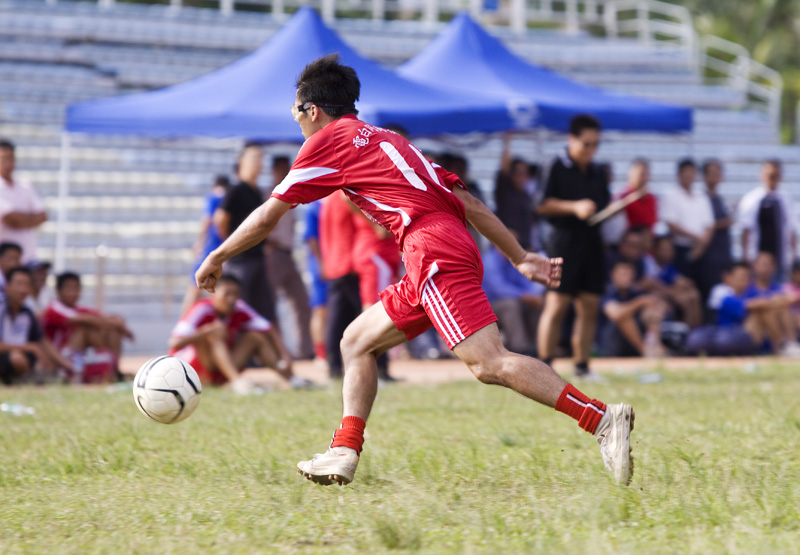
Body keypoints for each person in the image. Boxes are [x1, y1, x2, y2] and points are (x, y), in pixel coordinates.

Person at [195, 55, 634, 487]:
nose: (297, 121)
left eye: (296, 112)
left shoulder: (327, 140)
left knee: (489, 362)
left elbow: (268, 215)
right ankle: (344, 450)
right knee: (356, 341)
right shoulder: (390, 140)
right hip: (446, 244)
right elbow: (469, 203)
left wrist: (217, 256)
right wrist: (518, 256)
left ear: (313, 110)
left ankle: (600, 418)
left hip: (431, 249)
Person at [536, 114, 610, 380]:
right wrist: (574, 207)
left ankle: (582, 366)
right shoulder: (555, 165)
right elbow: (541, 204)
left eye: (595, 144)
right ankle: (544, 367)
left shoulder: (598, 171)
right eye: (586, 144)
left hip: (591, 242)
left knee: (589, 304)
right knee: (557, 303)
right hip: (563, 242)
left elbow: (603, 204)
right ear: (572, 139)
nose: (591, 150)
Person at [168, 274, 303, 390]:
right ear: (213, 293)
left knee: (255, 337)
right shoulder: (201, 309)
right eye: (227, 294)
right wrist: (207, 330)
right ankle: (237, 382)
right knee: (215, 333)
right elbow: (174, 343)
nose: (232, 299)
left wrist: (284, 356)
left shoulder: (239, 308)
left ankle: (291, 378)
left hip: (223, 368)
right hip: (196, 370)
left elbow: (268, 329)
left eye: (236, 294)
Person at [214, 143, 276, 321]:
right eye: (254, 158)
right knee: (239, 308)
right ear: (241, 162)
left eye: (260, 158)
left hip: (257, 258)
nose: (258, 162)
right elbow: (220, 219)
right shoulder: (236, 190)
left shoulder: (257, 192)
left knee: (262, 309)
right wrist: (232, 244)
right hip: (240, 261)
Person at [42, 272, 134, 381]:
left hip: (78, 355)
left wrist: (118, 323)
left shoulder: (78, 309)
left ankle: (114, 370)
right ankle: (106, 365)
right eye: (69, 288)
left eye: (76, 288)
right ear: (58, 291)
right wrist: (120, 326)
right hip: (58, 357)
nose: (73, 293)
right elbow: (86, 319)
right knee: (86, 329)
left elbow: (106, 318)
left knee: (111, 330)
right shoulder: (54, 308)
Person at [265, 155, 314, 359]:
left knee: (301, 301)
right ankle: (278, 352)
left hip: (288, 253)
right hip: (273, 253)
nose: (285, 173)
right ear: (274, 170)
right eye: (281, 169)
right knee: (270, 303)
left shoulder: (291, 192)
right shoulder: (268, 194)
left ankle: (305, 350)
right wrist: (268, 242)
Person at [0, 267, 72, 385]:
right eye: (19, 284)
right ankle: (23, 381)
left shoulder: (27, 313)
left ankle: (42, 377)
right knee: (16, 357)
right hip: (10, 358)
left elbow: (43, 341)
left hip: (23, 358)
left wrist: (65, 364)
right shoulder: (1, 309)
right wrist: (30, 347)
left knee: (43, 357)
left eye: (26, 284)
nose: (23, 289)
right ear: (7, 287)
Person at [738, 159, 798, 281]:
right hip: (757, 260)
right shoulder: (752, 199)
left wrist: (794, 254)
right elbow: (745, 229)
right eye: (770, 175)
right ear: (762, 175)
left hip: (780, 259)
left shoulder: (786, 199)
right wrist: (745, 256)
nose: (773, 179)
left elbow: (791, 228)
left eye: (776, 175)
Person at [660, 158, 715, 286]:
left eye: (691, 172)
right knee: (683, 284)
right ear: (678, 174)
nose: (688, 175)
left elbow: (710, 225)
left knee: (702, 284)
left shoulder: (701, 197)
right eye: (685, 172)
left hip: (701, 249)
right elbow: (672, 225)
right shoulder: (671, 196)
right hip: (680, 249)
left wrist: (701, 245)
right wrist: (696, 237)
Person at [482, 244, 543, 356]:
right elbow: (500, 289)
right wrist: (525, 296)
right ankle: (520, 347)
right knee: (510, 305)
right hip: (488, 306)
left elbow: (525, 283)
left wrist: (534, 297)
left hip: (512, 300)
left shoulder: (511, 260)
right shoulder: (489, 260)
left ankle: (537, 346)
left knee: (536, 303)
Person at [182, 175, 231, 315]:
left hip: (210, 245)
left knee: (195, 285)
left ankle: (185, 320)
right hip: (227, 247)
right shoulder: (230, 198)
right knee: (218, 288)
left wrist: (199, 242)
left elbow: (207, 220)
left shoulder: (213, 198)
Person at [600, 260, 668, 358]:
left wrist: (657, 308)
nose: (625, 277)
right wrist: (639, 302)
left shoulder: (635, 292)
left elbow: (658, 306)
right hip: (611, 347)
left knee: (650, 312)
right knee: (624, 318)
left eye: (628, 274)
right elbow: (615, 314)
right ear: (613, 275)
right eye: (622, 274)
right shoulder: (608, 293)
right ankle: (645, 352)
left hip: (632, 347)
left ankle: (656, 346)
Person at [0, 140, 47, 264]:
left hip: (28, 256)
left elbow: (43, 216)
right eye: (3, 159)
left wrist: (20, 219)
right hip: (4, 261)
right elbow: (11, 219)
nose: (8, 163)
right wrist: (31, 219)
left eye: (10, 158)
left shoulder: (25, 185)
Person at [699, 159, 734, 301]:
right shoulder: (700, 198)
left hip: (723, 254)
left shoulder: (719, 198)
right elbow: (703, 225)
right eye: (712, 173)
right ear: (704, 176)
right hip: (709, 256)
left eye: (718, 172)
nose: (716, 176)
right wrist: (724, 223)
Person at [495, 133, 534, 250]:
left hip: (525, 248)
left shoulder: (527, 196)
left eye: (524, 174)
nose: (521, 177)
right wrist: (507, 141)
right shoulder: (505, 192)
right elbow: (504, 169)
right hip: (506, 248)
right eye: (518, 173)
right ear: (511, 174)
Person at [302, 200, 329, 365]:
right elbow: (311, 238)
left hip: (336, 263)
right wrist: (320, 263)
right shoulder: (313, 207)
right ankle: (321, 354)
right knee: (320, 310)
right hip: (321, 265)